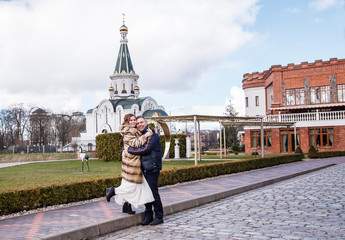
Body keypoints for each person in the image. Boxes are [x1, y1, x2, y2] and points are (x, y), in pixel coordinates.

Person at [106, 114, 154, 215]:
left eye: (134, 120)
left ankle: (126, 206)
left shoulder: (132, 130)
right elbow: (135, 144)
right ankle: (113, 191)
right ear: (126, 122)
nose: (133, 122)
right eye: (131, 120)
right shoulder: (128, 131)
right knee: (132, 186)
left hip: (131, 161)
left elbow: (128, 145)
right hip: (131, 162)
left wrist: (124, 150)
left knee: (129, 184)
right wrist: (145, 136)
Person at [125, 116, 164, 225]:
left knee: (153, 192)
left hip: (152, 167)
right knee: (146, 193)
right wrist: (126, 148)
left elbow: (145, 149)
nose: (139, 124)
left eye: (141, 122)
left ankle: (159, 216)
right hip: (144, 168)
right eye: (137, 123)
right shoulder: (141, 135)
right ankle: (148, 216)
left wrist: (130, 150)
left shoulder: (152, 135)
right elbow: (134, 144)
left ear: (146, 123)